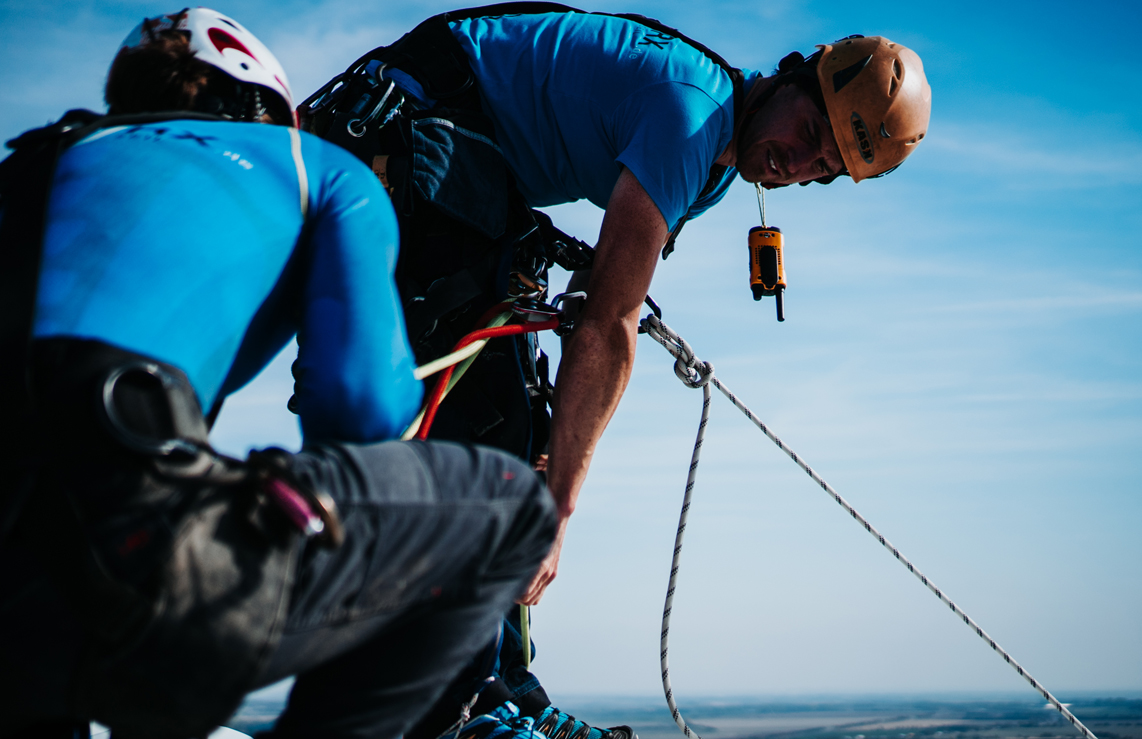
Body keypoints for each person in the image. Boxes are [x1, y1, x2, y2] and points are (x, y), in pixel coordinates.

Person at [300, 5, 932, 738]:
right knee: (482, 428)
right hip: (408, 124)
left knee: (515, 428)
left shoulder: (716, 153)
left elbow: (601, 310)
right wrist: (558, 512)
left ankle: (501, 692)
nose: (800, 162)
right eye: (812, 133)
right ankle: (464, 709)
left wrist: (554, 460)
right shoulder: (693, 118)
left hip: (434, 138)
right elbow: (607, 322)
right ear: (794, 76)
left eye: (824, 168)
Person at [0, 8, 556, 739]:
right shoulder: (310, 166)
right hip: (140, 565)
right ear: (271, 107)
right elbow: (357, 411)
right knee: (509, 509)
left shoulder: (33, 163)